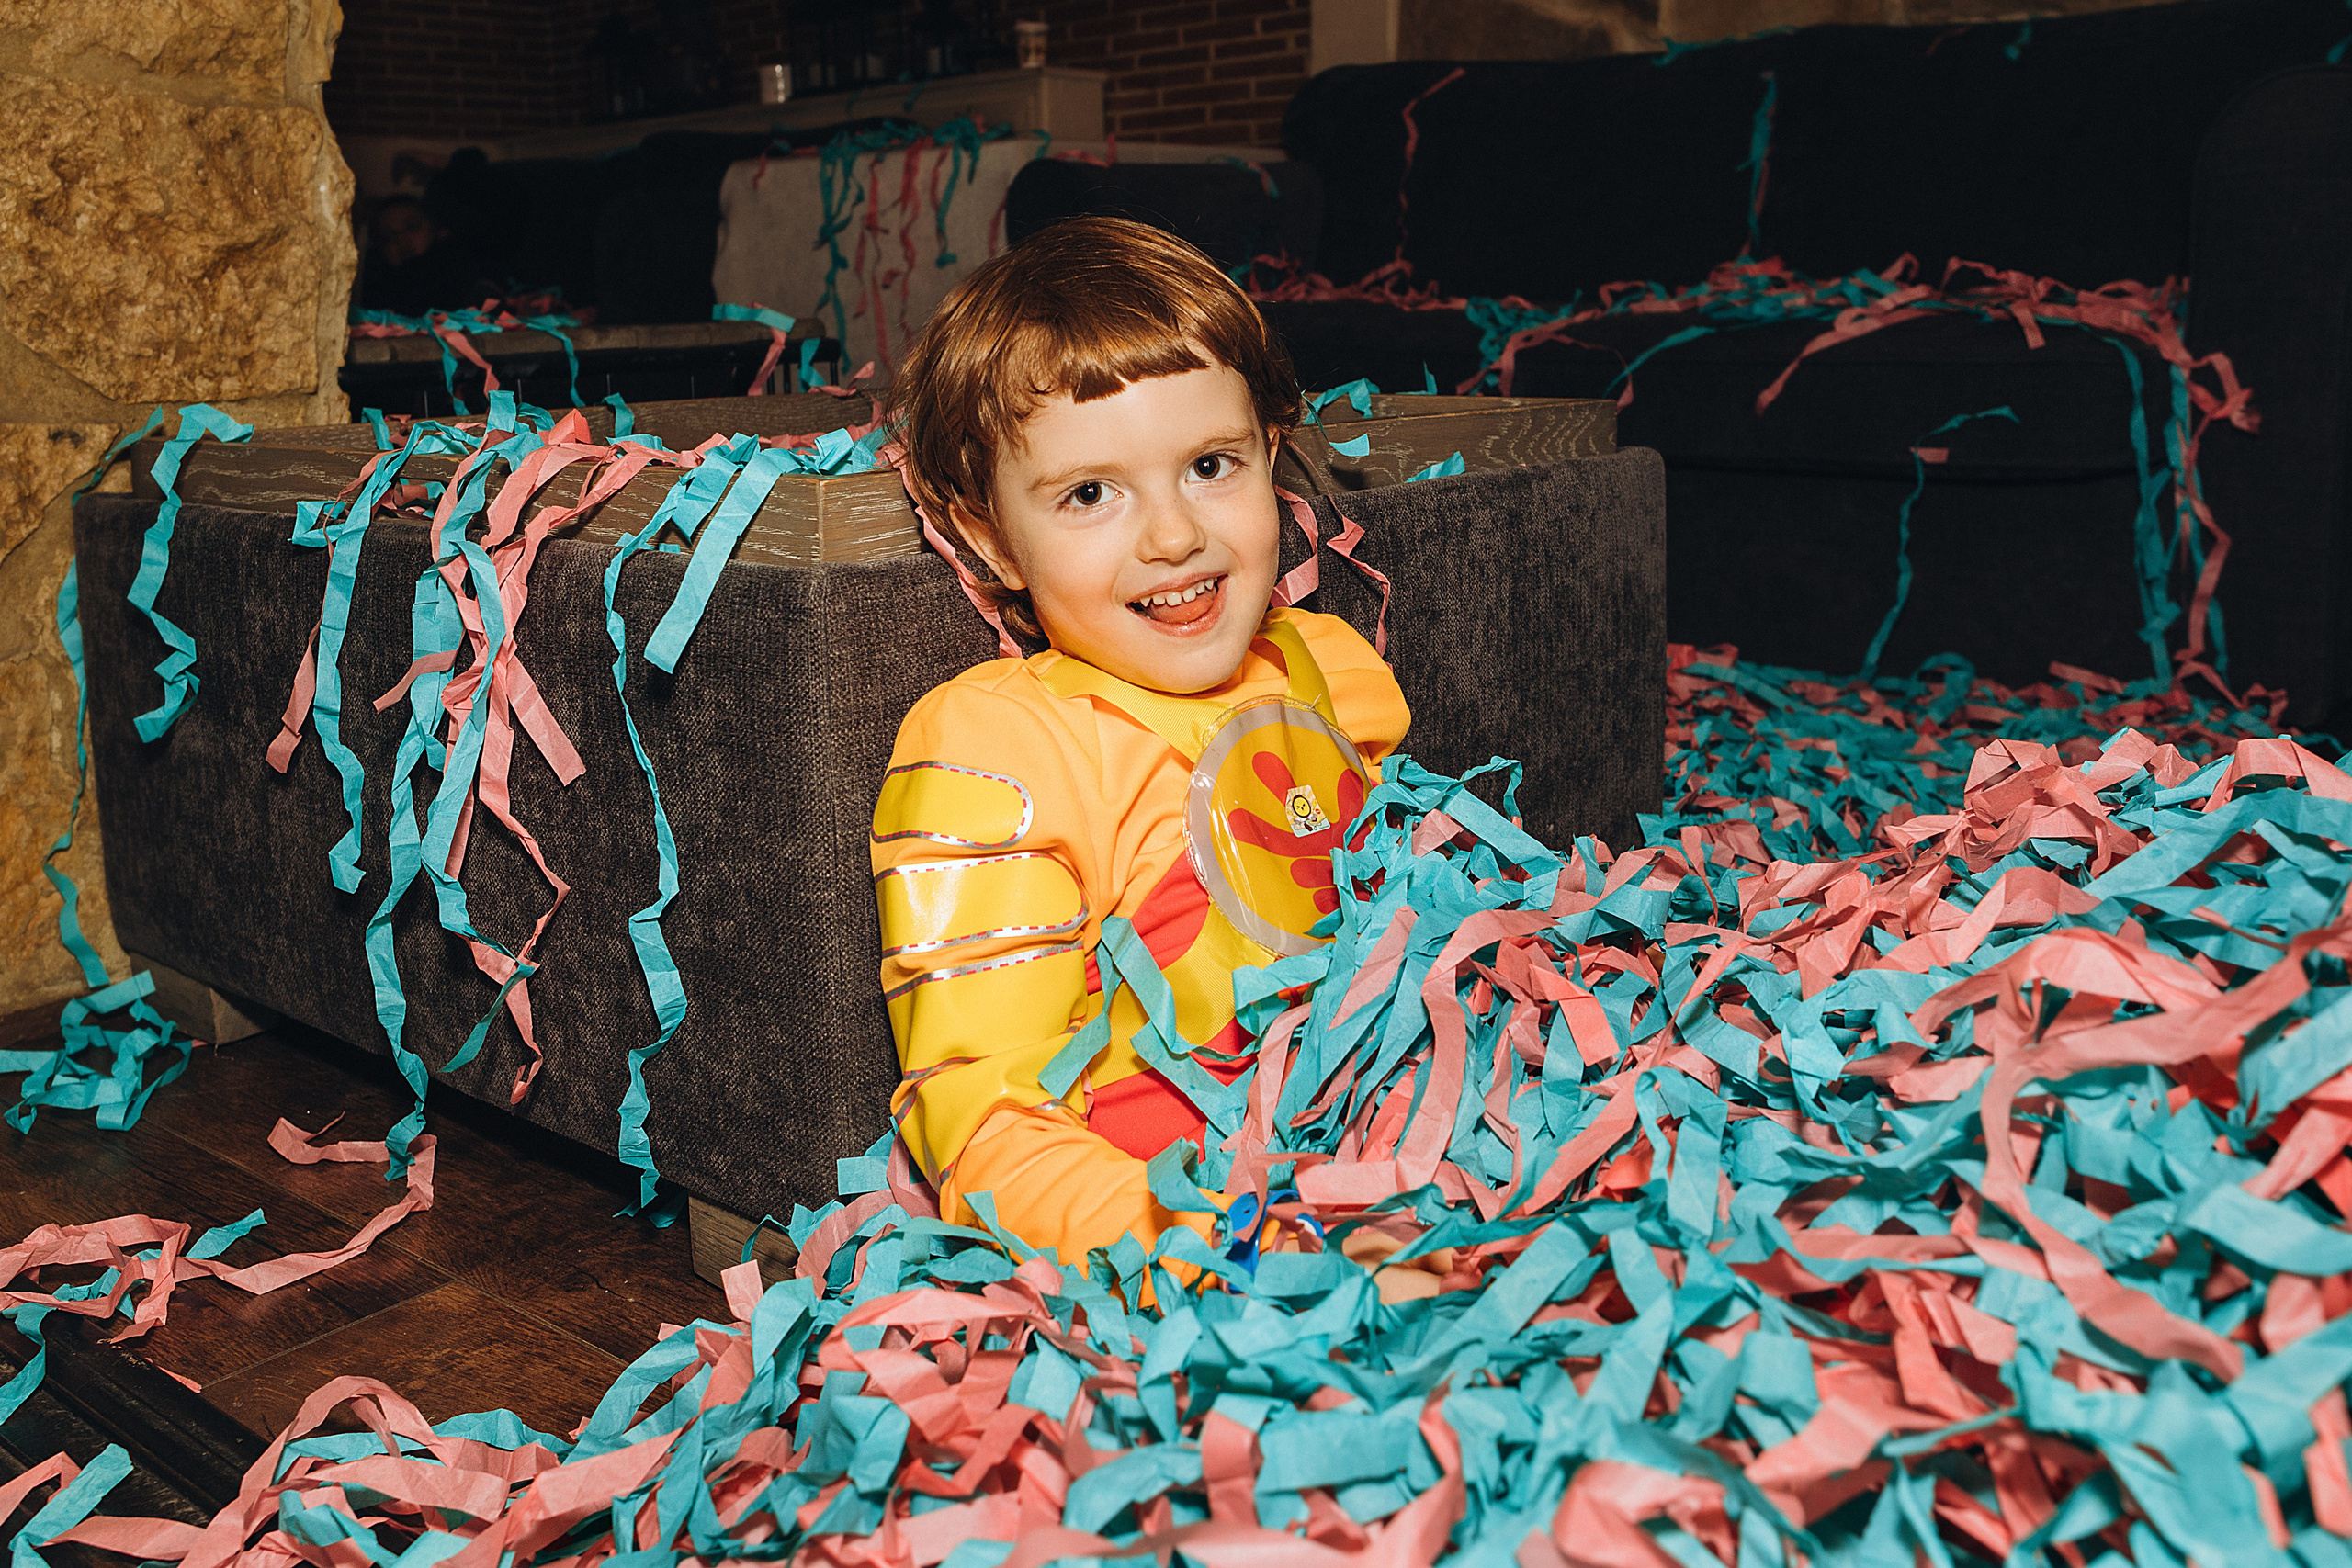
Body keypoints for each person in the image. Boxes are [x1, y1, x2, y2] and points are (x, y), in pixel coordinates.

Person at [875, 217, 1433, 1290]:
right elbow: (980, 1115)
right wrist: (1236, 1255)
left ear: (1274, 458)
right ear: (989, 536)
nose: (1174, 536)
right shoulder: (995, 749)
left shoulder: (1334, 667)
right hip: (1195, 1242)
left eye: (1211, 465)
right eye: (1089, 493)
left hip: (1405, 1154)